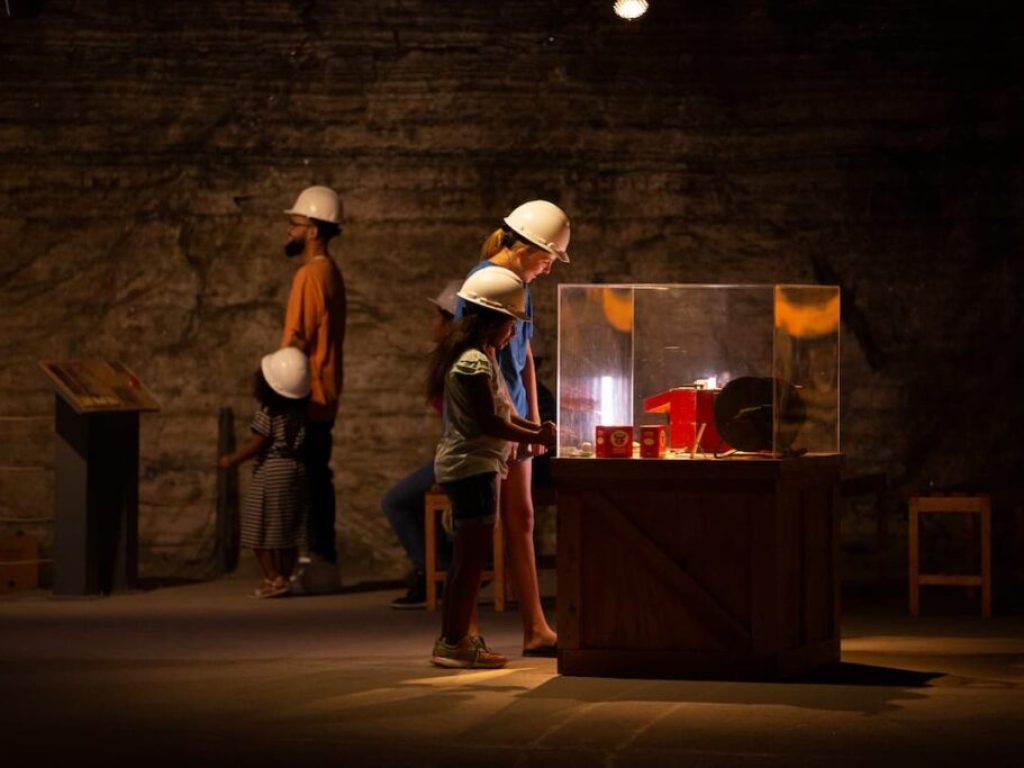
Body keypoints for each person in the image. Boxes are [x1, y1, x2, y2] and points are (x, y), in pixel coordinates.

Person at [454, 199, 570, 656]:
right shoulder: (481, 285)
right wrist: (514, 425)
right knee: (478, 526)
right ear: (525, 247)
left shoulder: (522, 286)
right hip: (489, 419)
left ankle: (535, 627)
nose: (548, 267)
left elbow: (524, 359)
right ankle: (463, 630)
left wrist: (535, 423)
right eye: (547, 257)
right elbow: (477, 359)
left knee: (521, 517)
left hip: (517, 416)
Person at [428, 267, 557, 668]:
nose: (514, 333)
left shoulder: (485, 358)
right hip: (472, 468)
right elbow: (490, 423)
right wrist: (532, 434)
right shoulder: (473, 364)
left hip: (479, 466)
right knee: (469, 561)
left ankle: (455, 640)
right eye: (510, 324)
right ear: (491, 322)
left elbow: (504, 411)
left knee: (470, 557)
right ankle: (453, 641)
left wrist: (536, 429)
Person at [280, 185, 347, 585]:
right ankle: (323, 557)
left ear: (314, 230)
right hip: (325, 391)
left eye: (296, 223)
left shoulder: (309, 275)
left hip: (307, 394)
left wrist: (277, 390)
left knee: (305, 481)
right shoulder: (331, 272)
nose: (289, 230)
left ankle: (315, 559)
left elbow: (297, 340)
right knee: (318, 477)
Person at [382, 280, 460, 609]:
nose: (432, 323)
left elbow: (458, 424)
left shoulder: (457, 364)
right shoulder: (448, 361)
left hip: (459, 457)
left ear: (451, 322)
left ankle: (433, 572)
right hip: (454, 454)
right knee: (408, 498)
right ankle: (438, 566)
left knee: (395, 501)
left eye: (437, 316)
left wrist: (447, 471)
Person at [218, 348, 311, 598]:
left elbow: (257, 444)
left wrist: (231, 459)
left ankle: (272, 578)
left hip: (271, 472)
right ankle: (285, 577)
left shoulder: (267, 412)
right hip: (296, 469)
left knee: (257, 528)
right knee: (286, 530)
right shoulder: (299, 413)